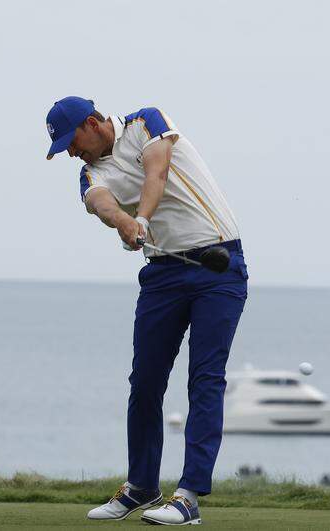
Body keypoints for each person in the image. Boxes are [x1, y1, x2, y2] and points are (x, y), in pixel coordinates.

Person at [45, 96, 247, 525]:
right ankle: (141, 487)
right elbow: (103, 204)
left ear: (93, 122)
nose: (70, 151)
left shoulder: (146, 122)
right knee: (145, 382)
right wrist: (123, 222)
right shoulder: (89, 173)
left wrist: (144, 218)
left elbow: (157, 170)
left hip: (218, 265)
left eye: (71, 140)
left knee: (205, 379)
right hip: (162, 276)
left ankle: (189, 497)